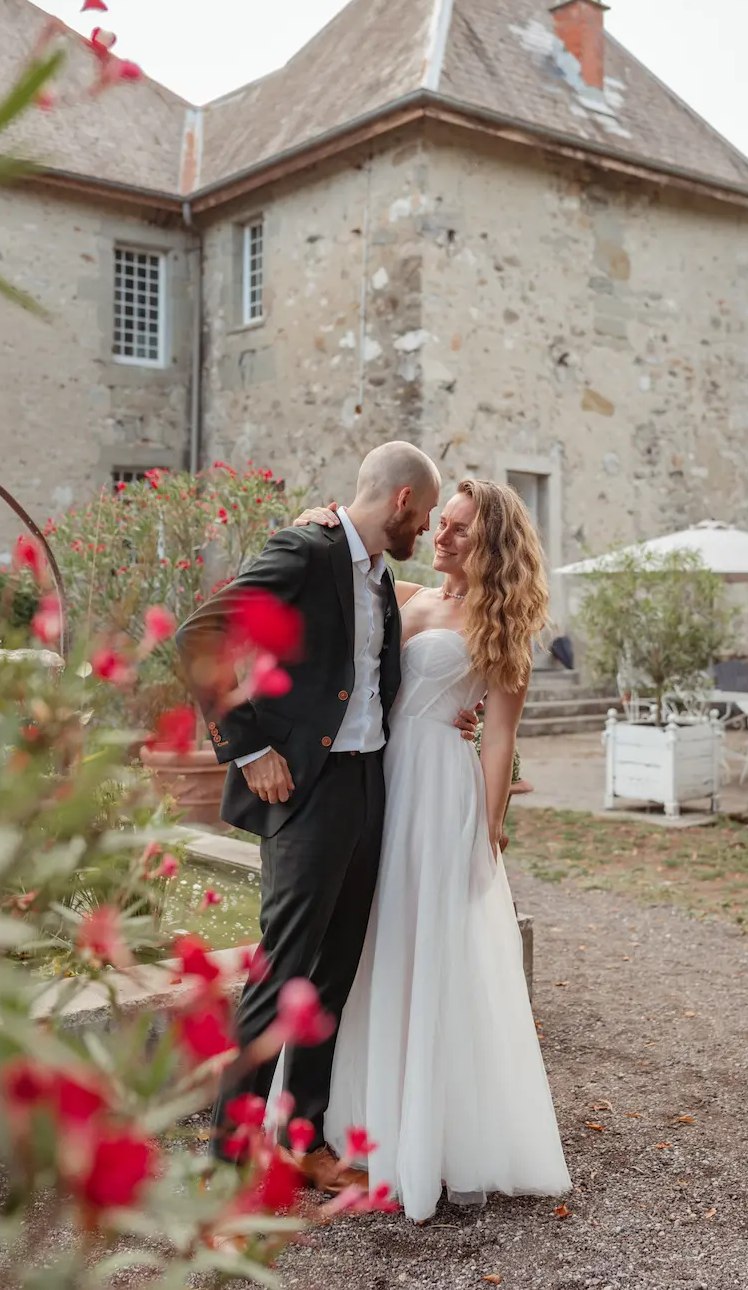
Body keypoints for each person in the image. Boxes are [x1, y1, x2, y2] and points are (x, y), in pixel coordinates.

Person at [175, 441, 478, 1194]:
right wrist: (247, 749)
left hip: (369, 786)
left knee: (332, 976)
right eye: (428, 513)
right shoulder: (306, 553)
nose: (430, 530)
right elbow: (200, 635)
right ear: (403, 502)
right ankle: (229, 1164)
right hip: (305, 794)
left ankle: (301, 1141)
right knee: (281, 976)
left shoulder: (377, 576)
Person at [295, 480, 571, 1222]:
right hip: (375, 783)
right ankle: (344, 1112)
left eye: (460, 530)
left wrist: (483, 833)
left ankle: (422, 1127)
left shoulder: (502, 624)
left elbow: (500, 737)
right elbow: (335, 562)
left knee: (425, 948)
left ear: (493, 545)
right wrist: (319, 518)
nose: (442, 537)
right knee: (368, 943)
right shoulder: (403, 588)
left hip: (438, 796)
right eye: (441, 524)